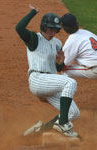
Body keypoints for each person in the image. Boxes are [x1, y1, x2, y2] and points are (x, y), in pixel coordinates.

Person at [15, 5, 80, 137]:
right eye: (50, 28)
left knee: (73, 113)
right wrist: (33, 12)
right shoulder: (34, 39)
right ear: (44, 27)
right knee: (71, 83)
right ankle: (62, 124)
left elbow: (57, 69)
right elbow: (19, 28)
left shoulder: (57, 43)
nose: (52, 31)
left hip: (50, 83)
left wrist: (60, 62)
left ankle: (40, 131)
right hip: (37, 79)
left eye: (55, 29)